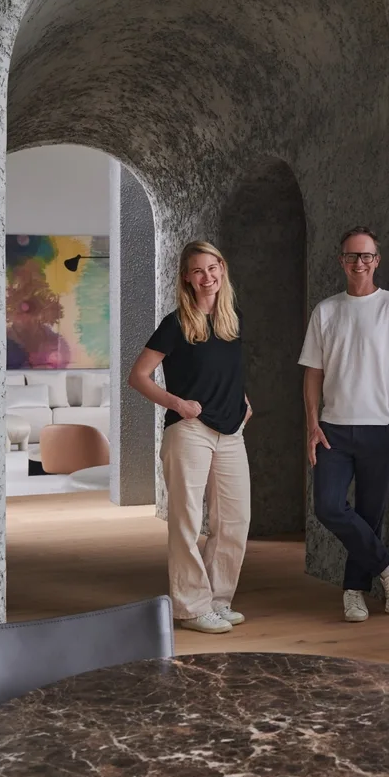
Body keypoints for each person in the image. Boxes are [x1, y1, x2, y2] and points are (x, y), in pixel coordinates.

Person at [299, 227, 389, 623]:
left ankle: (353, 592)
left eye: (366, 256)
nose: (359, 264)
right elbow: (313, 373)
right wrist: (311, 424)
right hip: (332, 429)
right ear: (341, 261)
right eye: (352, 257)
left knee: (370, 515)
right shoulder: (326, 311)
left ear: (376, 261)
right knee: (329, 507)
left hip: (379, 429)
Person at [129, 241, 252, 634]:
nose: (208, 277)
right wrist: (178, 404)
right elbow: (139, 377)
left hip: (231, 431)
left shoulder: (233, 320)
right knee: (187, 520)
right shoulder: (176, 322)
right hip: (190, 431)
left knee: (234, 521)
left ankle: (218, 599)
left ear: (223, 268)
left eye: (213, 267)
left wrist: (244, 401)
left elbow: (225, 370)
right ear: (186, 277)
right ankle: (190, 607)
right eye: (198, 270)